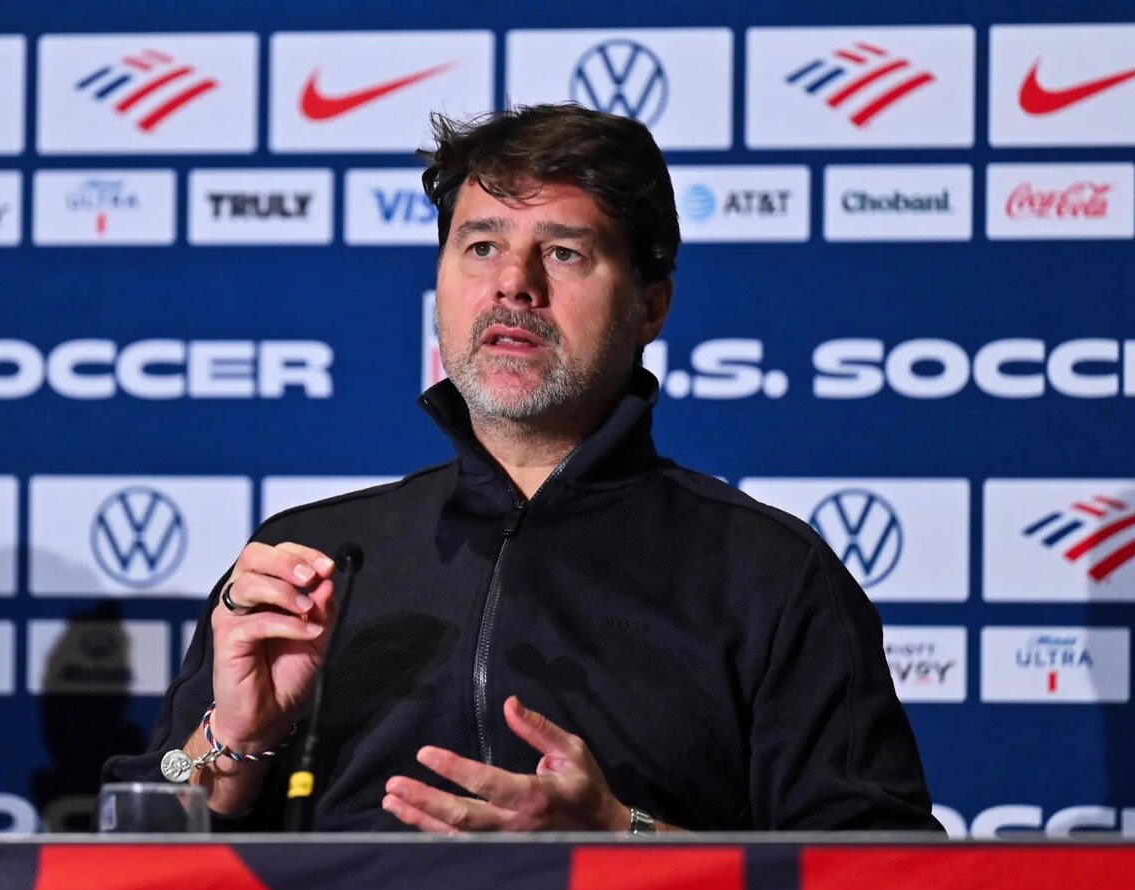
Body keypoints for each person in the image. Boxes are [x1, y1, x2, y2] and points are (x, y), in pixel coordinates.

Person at [103, 103, 943, 834]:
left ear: (651, 304)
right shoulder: (310, 558)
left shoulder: (771, 576)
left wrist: (623, 839)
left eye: (565, 253)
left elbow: (883, 875)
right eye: (480, 246)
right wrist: (230, 741)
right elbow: (142, 850)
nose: (513, 284)